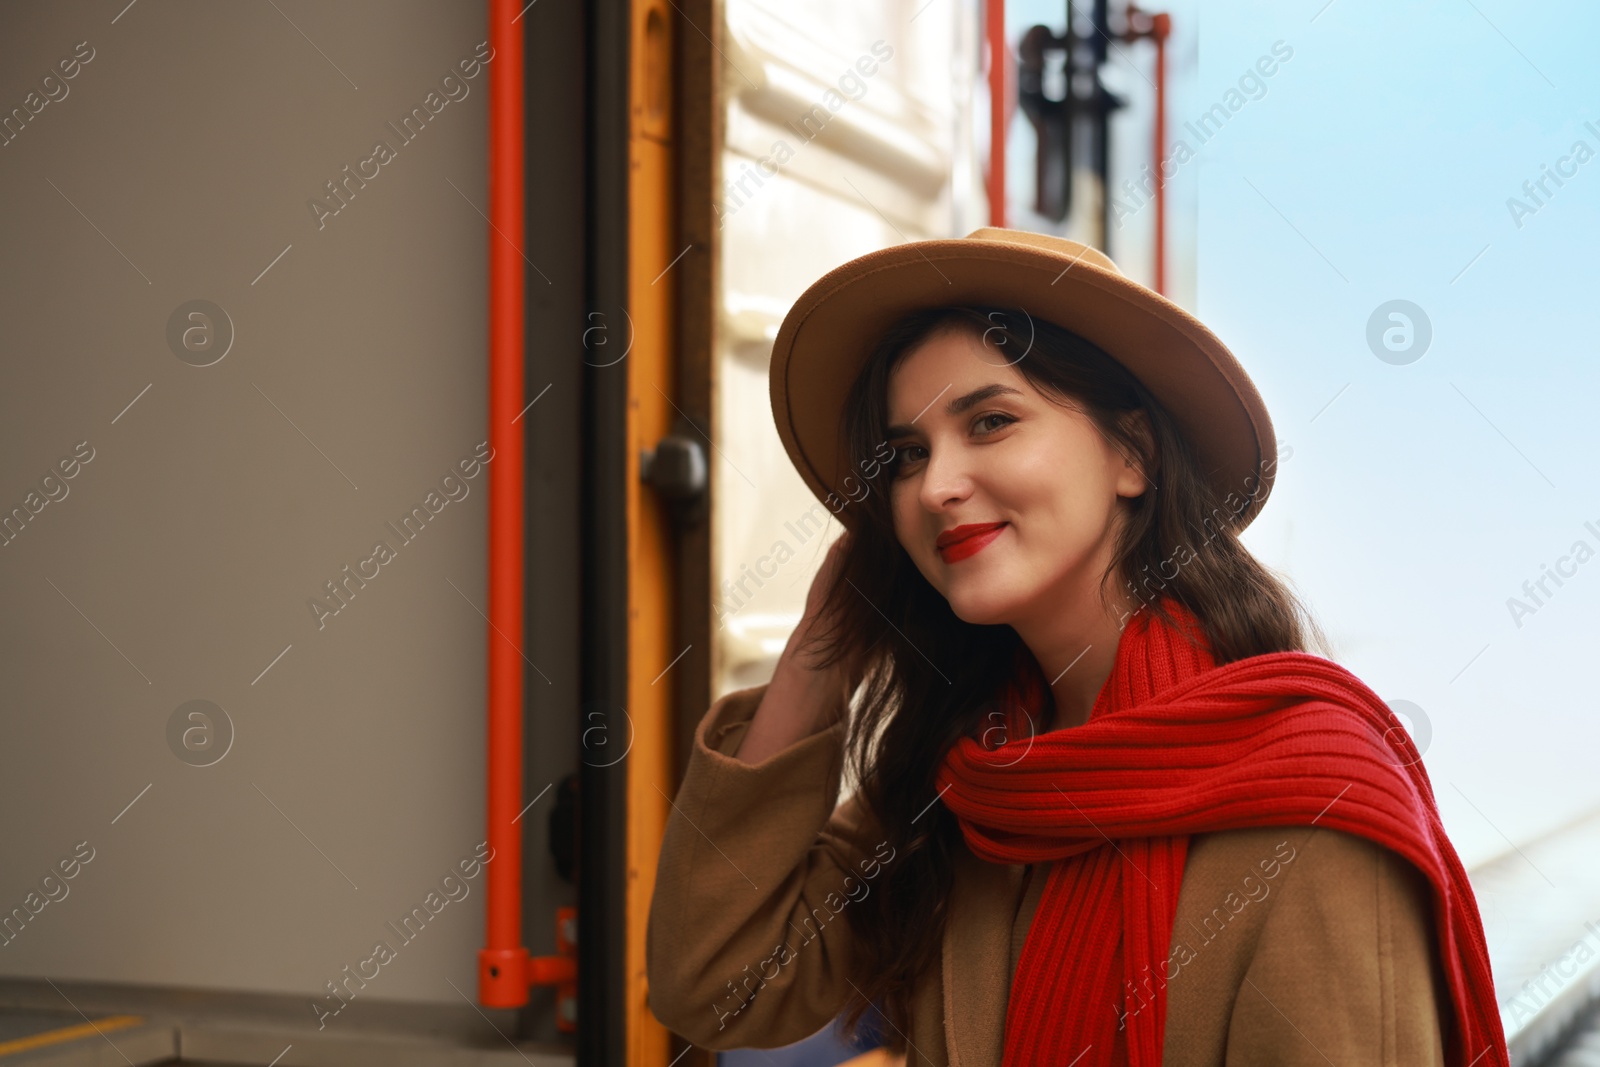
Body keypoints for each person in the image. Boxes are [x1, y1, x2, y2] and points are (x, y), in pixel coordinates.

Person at [646, 228, 1507, 1066]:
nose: (936, 485)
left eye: (989, 422)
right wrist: (822, 649)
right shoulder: (970, 777)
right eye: (906, 454)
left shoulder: (1308, 810)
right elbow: (717, 983)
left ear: (1130, 452)